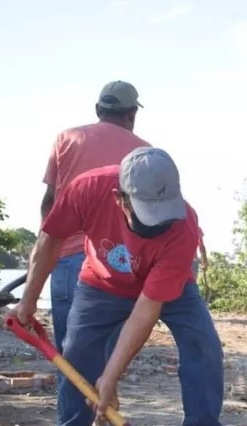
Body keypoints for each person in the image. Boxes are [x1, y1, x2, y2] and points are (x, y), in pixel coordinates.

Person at [13, 147, 236, 426]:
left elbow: (146, 309)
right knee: (77, 356)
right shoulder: (88, 189)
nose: (157, 226)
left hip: (170, 289)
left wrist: (111, 375)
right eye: (148, 217)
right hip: (102, 283)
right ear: (121, 199)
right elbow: (50, 239)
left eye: (162, 217)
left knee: (203, 348)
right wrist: (28, 300)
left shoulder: (183, 226)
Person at [41, 81, 151, 352]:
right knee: (110, 353)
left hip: (66, 256)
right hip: (119, 261)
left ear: (97, 109)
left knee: (70, 352)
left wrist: (47, 250)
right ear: (132, 114)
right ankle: (104, 394)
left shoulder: (66, 139)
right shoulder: (145, 154)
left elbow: (49, 203)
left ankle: (73, 394)